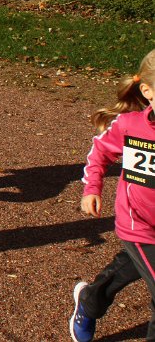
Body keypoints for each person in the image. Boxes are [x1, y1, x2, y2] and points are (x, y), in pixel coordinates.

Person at [70, 49, 155, 342]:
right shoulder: (131, 125)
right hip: (139, 224)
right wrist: (92, 187)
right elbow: (101, 151)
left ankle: (90, 301)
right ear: (147, 91)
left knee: (132, 265)